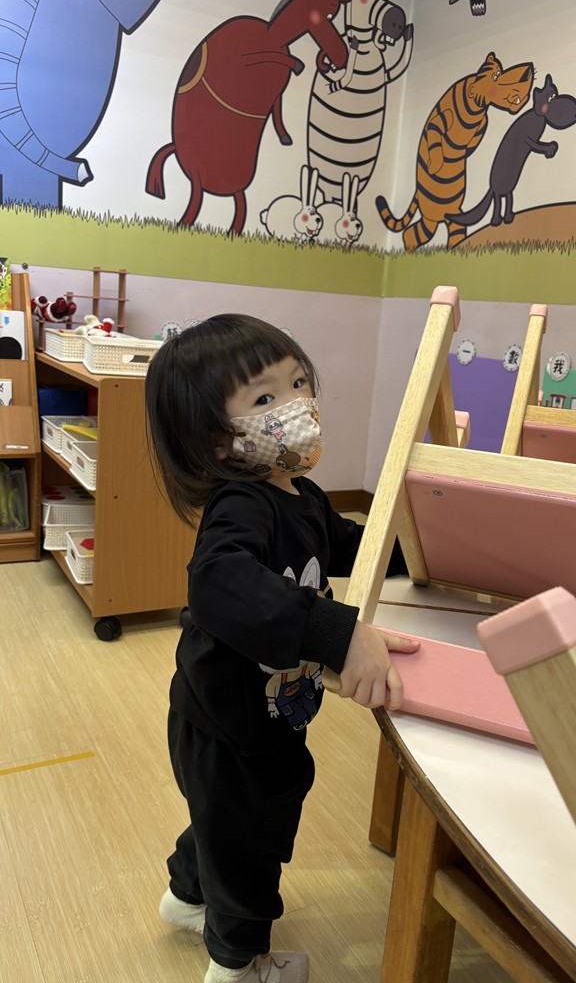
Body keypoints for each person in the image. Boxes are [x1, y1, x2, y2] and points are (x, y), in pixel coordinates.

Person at [145, 314, 419, 983]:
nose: (297, 405)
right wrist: (340, 635)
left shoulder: (302, 495)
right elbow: (218, 582)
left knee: (232, 821)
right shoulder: (241, 504)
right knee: (249, 847)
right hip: (225, 725)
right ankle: (237, 963)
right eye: (265, 397)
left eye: (299, 384)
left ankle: (186, 897)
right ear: (220, 439)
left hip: (264, 716)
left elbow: (352, 546)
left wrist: (418, 550)